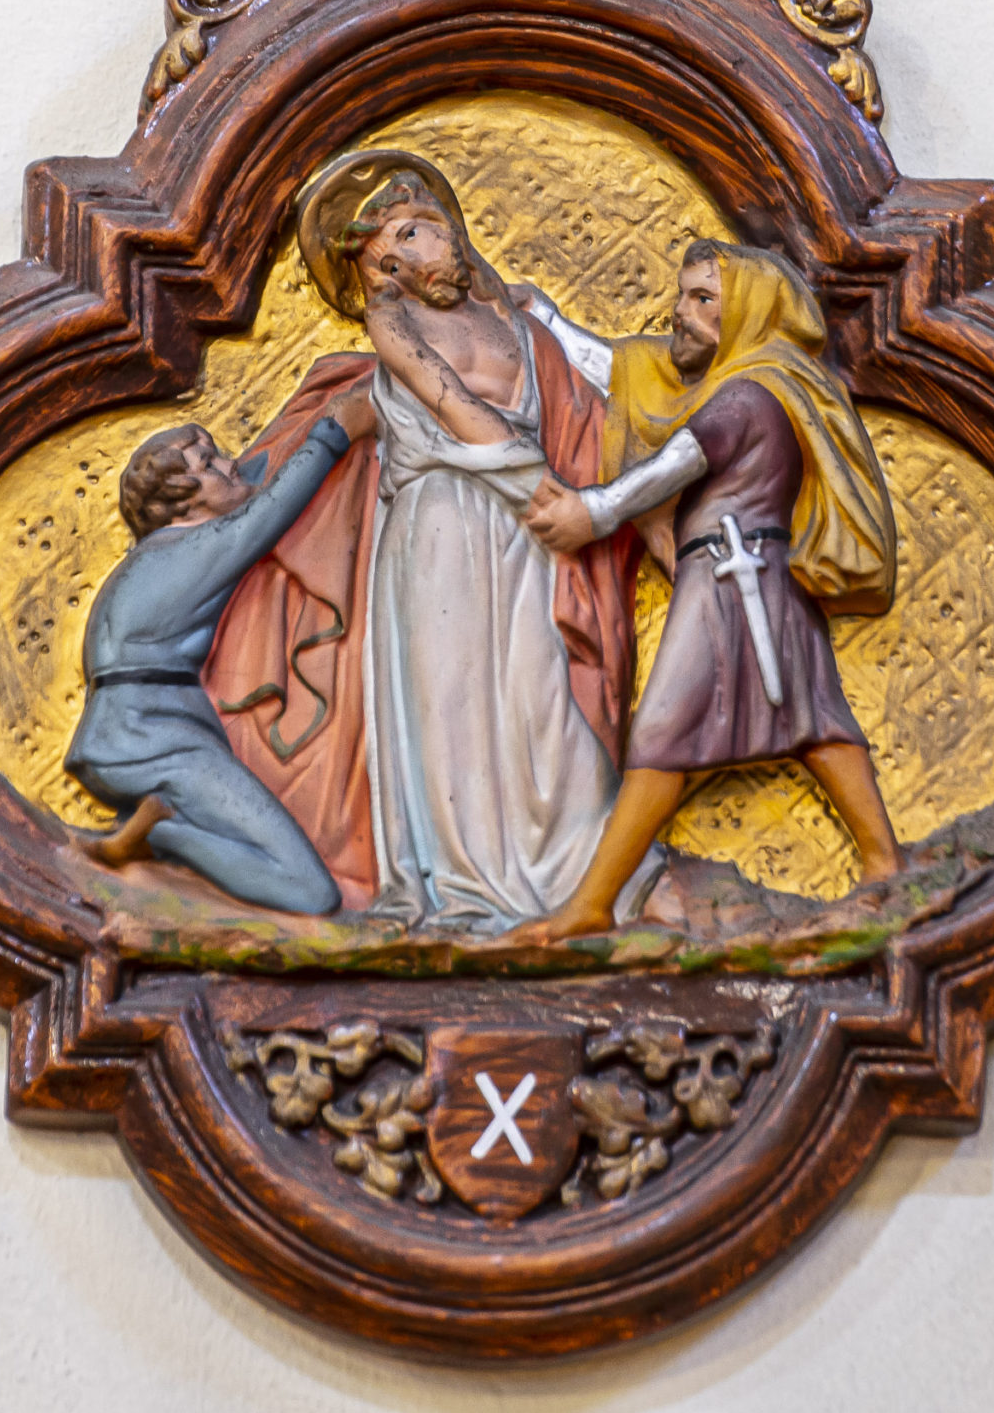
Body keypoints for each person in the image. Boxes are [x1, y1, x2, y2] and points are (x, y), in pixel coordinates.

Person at [233, 148, 637, 927]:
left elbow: (594, 400)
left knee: (540, 690)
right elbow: (448, 399)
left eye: (420, 230)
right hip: (444, 521)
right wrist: (536, 480)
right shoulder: (394, 322)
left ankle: (580, 870)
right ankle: (461, 888)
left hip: (526, 529)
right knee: (450, 700)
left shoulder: (514, 318)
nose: (413, 255)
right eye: (390, 253)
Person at [509, 241, 903, 940]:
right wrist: (547, 320)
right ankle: (882, 863)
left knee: (667, 732)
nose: (679, 312)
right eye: (681, 294)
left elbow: (675, 462)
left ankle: (591, 904)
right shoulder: (742, 385)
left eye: (703, 300)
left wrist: (592, 511)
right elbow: (625, 374)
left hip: (732, 580)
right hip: (748, 578)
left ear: (746, 313)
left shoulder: (746, 394)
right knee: (812, 717)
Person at [63, 387, 376, 915]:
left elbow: (257, 473)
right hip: (153, 742)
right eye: (209, 464)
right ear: (183, 497)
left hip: (118, 739)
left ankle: (152, 828)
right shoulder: (193, 550)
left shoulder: (151, 560)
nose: (231, 465)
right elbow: (265, 514)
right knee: (310, 892)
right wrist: (332, 433)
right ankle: (158, 834)